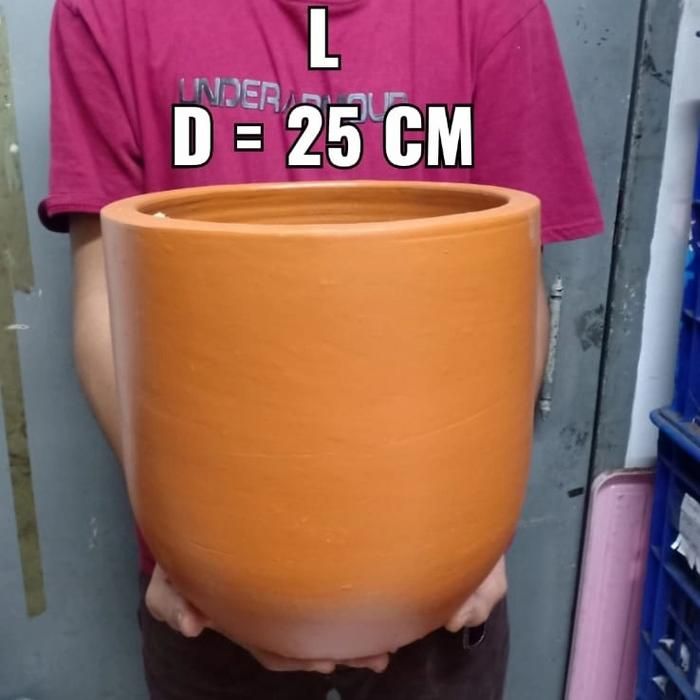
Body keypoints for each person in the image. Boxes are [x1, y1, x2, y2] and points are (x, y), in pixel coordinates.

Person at [40, 0, 604, 697]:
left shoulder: (493, 10)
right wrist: (190, 539)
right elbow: (104, 296)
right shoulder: (111, 11)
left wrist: (472, 527)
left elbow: (510, 291)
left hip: (437, 571)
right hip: (209, 584)